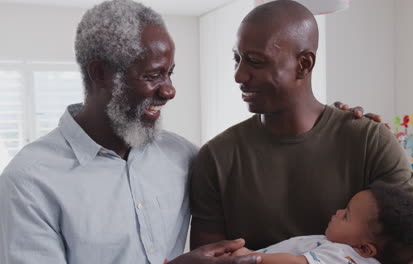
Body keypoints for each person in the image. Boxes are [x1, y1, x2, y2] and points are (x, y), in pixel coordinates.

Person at [0, 0, 261, 263]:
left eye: (169, 73)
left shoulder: (184, 156)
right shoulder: (28, 182)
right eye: (152, 75)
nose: (169, 91)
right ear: (100, 73)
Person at [189, 0, 413, 263]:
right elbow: (209, 260)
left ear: (304, 64)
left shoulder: (369, 141)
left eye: (255, 61)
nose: (239, 75)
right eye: (237, 58)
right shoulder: (215, 158)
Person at [230, 183, 413, 264]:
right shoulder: (350, 252)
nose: (338, 212)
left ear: (364, 248)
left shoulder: (344, 257)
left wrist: (251, 257)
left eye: (346, 216)